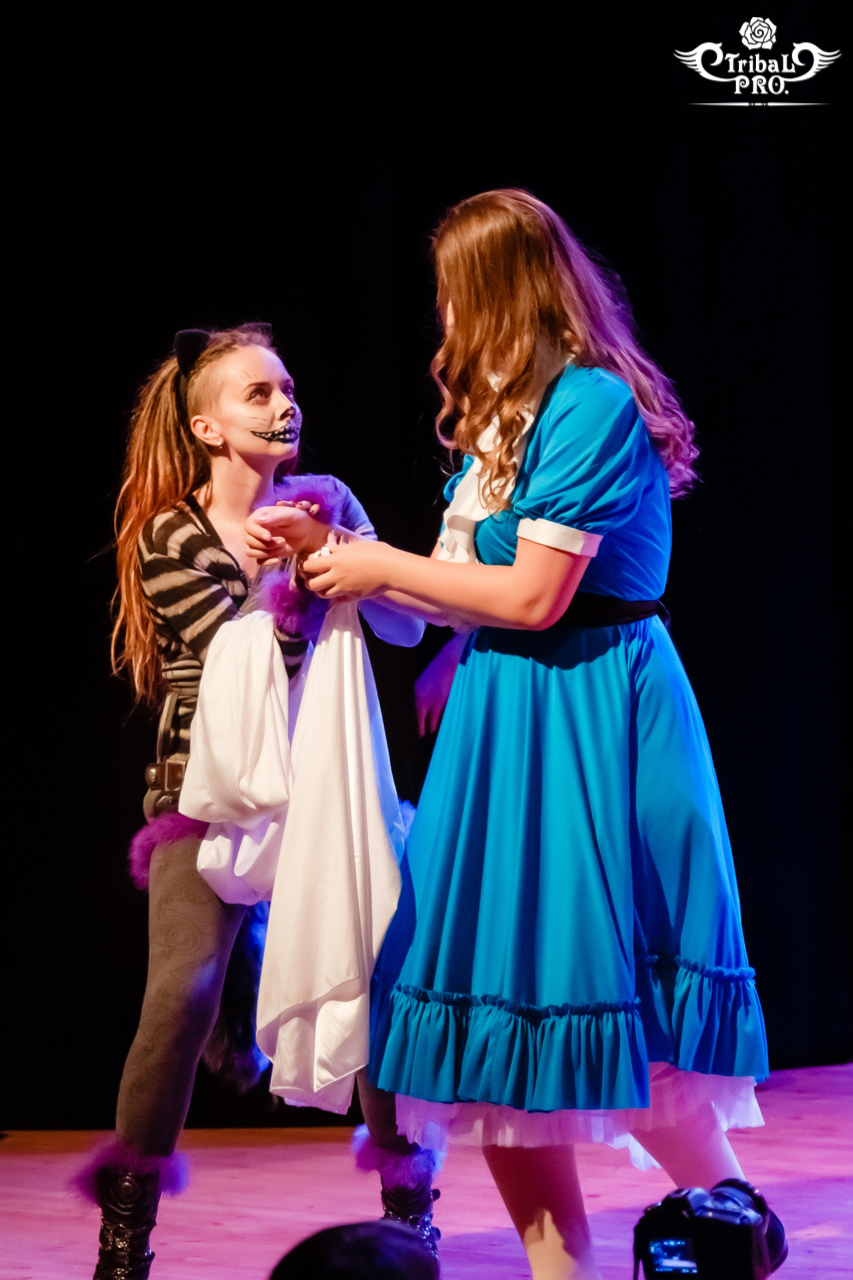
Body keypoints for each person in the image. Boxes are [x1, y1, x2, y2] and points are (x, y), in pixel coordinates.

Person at [253, 190, 786, 1280]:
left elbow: (536, 596)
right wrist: (343, 555)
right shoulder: (505, 422)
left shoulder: (588, 405)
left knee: (611, 995)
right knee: (502, 1035)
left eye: (454, 292)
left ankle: (732, 1220)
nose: (443, 316)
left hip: (593, 714)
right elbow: (467, 591)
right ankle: (570, 1270)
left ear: (499, 292)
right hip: (510, 720)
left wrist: (377, 563)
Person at [78, 325, 439, 1280]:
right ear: (206, 427)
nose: (285, 406)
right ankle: (125, 1235)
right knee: (184, 993)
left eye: (287, 388)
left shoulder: (327, 504)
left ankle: (408, 1213)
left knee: (377, 978)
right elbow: (235, 664)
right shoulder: (170, 535)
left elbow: (404, 625)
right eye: (258, 394)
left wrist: (346, 546)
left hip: (327, 788)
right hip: (209, 793)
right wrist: (297, 571)